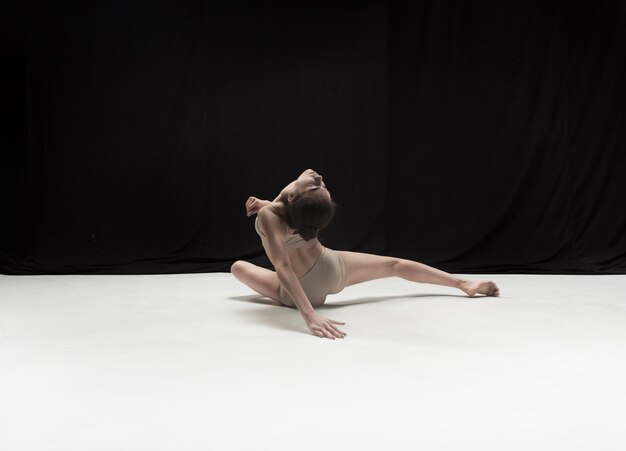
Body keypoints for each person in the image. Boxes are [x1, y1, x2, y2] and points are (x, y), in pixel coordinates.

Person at [231, 169, 500, 340]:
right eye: (320, 186)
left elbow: (284, 267)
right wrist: (268, 203)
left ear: (292, 198)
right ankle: (463, 284)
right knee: (395, 265)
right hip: (331, 269)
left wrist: (310, 315)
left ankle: (464, 284)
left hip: (300, 293)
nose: (319, 178)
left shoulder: (272, 214)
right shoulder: (298, 214)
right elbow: (285, 213)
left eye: (318, 187)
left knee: (238, 267)